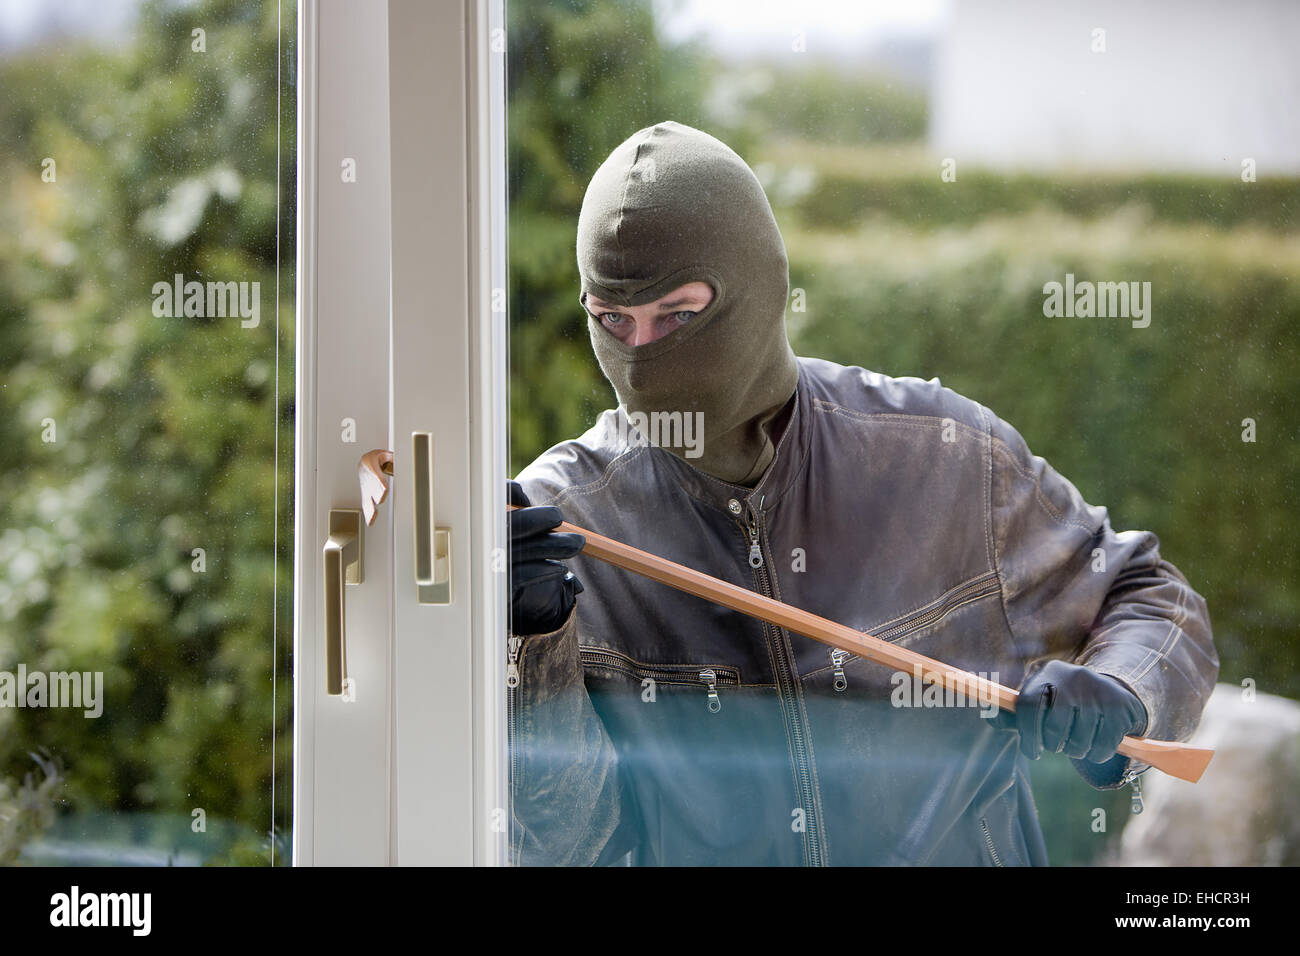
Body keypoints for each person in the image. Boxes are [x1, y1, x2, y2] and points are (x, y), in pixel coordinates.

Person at [507, 120, 1218, 866]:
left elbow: (1150, 595)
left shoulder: (938, 454)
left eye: (679, 315)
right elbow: (564, 845)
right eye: (612, 319)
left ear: (761, 288)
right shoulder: (565, 521)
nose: (643, 360)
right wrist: (532, 638)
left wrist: (1121, 690)